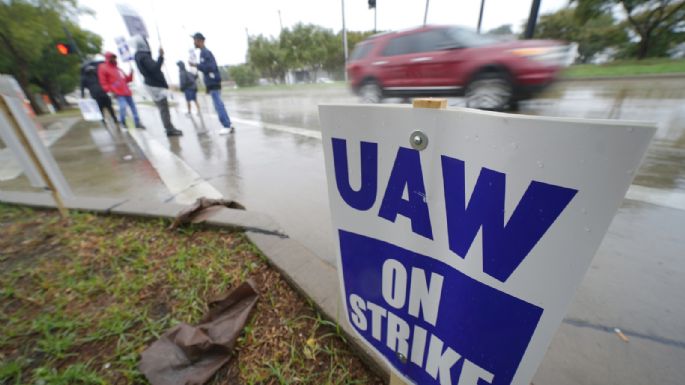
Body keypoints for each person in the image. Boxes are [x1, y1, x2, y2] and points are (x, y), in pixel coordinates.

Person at [132, 36, 182, 137]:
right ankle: (169, 129)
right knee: (163, 108)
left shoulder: (138, 56)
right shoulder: (143, 56)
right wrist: (160, 56)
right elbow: (155, 68)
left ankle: (169, 127)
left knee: (162, 108)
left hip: (152, 85)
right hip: (155, 86)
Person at [190, 32, 235, 134]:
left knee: (218, 105)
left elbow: (210, 67)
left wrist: (196, 65)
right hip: (212, 83)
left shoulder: (205, 53)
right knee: (219, 104)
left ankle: (226, 125)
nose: (194, 42)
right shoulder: (203, 53)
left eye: (195, 40)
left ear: (200, 41)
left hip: (213, 82)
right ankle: (228, 124)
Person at [98, 52, 144, 128]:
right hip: (117, 92)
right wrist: (110, 91)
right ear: (108, 58)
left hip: (126, 92)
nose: (114, 59)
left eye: (115, 57)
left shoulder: (118, 69)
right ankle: (123, 121)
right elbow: (103, 82)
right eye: (112, 57)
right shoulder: (103, 67)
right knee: (123, 106)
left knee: (133, 107)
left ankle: (137, 123)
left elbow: (127, 80)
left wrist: (131, 73)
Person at [80, 61, 118, 127]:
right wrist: (82, 96)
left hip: (103, 93)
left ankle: (114, 119)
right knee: (100, 109)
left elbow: (104, 79)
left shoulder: (96, 74)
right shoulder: (84, 78)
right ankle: (103, 120)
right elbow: (82, 88)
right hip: (95, 95)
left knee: (109, 107)